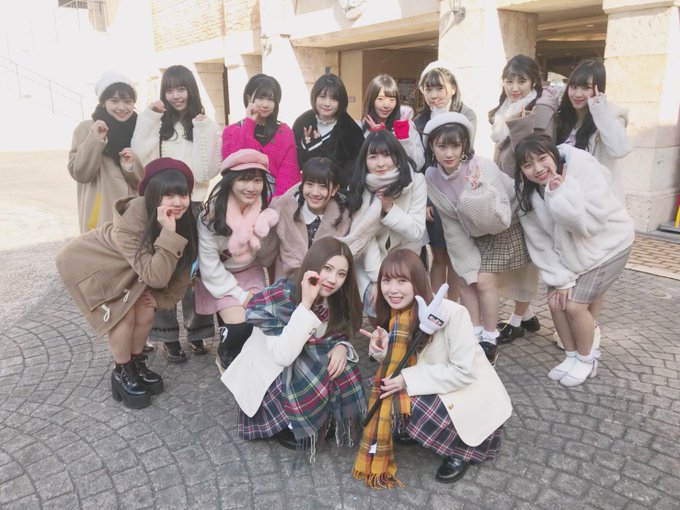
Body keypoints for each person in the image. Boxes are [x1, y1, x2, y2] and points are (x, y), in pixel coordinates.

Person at [353, 249, 511, 487]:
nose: (392, 289)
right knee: (387, 387)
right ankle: (422, 429)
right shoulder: (398, 314)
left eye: (402, 281)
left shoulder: (452, 313)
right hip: (437, 385)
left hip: (467, 395)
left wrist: (406, 379)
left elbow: (463, 373)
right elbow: (401, 360)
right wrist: (382, 349)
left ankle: (460, 450)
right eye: (386, 281)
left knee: (400, 395)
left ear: (418, 281)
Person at [56, 158, 198, 409]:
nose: (178, 202)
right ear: (153, 195)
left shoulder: (185, 219)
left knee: (146, 309)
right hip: (94, 264)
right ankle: (121, 371)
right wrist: (169, 233)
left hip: (132, 270)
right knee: (123, 316)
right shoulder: (132, 220)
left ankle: (134, 362)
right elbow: (155, 277)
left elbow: (184, 268)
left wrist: (162, 299)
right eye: (168, 195)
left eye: (183, 194)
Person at [222, 237, 365, 455]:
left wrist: (342, 346)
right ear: (314, 263)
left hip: (302, 361)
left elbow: (339, 332)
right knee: (308, 367)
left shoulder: (337, 298)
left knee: (342, 367)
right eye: (327, 268)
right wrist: (306, 304)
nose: (333, 279)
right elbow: (283, 355)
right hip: (272, 373)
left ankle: (318, 415)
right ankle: (288, 423)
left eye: (341, 274)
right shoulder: (281, 295)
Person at [514, 136, 634, 386]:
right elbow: (540, 244)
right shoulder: (528, 194)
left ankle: (587, 359)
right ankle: (571, 357)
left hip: (609, 246)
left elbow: (589, 226)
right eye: (528, 165)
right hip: (571, 257)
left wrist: (560, 195)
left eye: (542, 158)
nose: (538, 168)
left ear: (553, 154)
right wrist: (562, 280)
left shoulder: (581, 167)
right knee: (555, 301)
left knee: (575, 307)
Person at [131, 64, 221, 361]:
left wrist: (204, 130)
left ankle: (198, 332)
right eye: (169, 90)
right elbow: (141, 157)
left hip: (192, 204)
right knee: (163, 270)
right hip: (162, 206)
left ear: (191, 90)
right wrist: (149, 118)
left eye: (181, 89)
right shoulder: (159, 124)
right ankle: (168, 337)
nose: (176, 96)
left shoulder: (205, 125)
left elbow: (207, 171)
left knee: (193, 273)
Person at [422, 112, 524, 365]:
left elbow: (498, 219)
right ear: (432, 147)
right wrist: (464, 262)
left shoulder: (482, 167)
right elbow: (451, 222)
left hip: (502, 226)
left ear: (464, 145)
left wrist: (475, 196)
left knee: (485, 281)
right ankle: (474, 333)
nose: (449, 153)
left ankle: (490, 338)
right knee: (465, 279)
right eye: (442, 146)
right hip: (468, 231)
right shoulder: (431, 177)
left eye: (455, 146)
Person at [553, 59, 633, 350]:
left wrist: (599, 109)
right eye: (574, 86)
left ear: (598, 90)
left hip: (599, 206)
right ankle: (578, 323)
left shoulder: (609, 117)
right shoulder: (562, 118)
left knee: (594, 267)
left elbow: (620, 148)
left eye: (586, 88)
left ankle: (590, 324)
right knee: (574, 265)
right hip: (569, 204)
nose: (577, 94)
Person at [488, 54, 559, 344]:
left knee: (526, 259)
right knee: (515, 257)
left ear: (534, 82)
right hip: (508, 191)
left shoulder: (539, 109)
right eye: (509, 81)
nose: (514, 87)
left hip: (528, 193)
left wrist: (518, 121)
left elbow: (534, 154)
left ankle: (517, 320)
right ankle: (526, 315)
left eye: (522, 81)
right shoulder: (506, 108)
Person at [195, 149, 279, 372]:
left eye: (257, 180)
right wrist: (241, 296)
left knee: (259, 323)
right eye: (244, 179)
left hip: (250, 271)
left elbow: (267, 258)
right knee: (240, 326)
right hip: (219, 276)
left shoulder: (263, 212)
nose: (251, 187)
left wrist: (264, 230)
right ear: (230, 181)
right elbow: (210, 266)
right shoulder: (210, 217)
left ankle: (241, 349)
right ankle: (225, 352)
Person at [339, 130, 427, 319]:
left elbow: (416, 231)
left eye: (387, 155)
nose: (380, 163)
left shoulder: (416, 181)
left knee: (408, 314)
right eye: (373, 157)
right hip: (371, 262)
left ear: (397, 155)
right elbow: (365, 238)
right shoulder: (360, 186)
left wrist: (389, 208)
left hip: (405, 258)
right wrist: (380, 281)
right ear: (364, 160)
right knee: (375, 303)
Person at [413, 61, 478, 302]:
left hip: (459, 195)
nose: (434, 95)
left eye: (439, 88)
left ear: (452, 88)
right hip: (433, 196)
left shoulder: (466, 116)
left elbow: (467, 155)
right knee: (439, 256)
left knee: (456, 256)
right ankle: (436, 307)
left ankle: (453, 307)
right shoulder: (419, 122)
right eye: (428, 89)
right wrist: (425, 202)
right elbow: (421, 166)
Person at [68, 71, 143, 234]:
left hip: (133, 213)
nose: (122, 107)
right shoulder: (87, 128)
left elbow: (144, 181)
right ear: (103, 102)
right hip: (100, 215)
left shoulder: (140, 130)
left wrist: (130, 166)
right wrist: (95, 140)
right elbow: (81, 174)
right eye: (114, 101)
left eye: (128, 101)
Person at [269, 157, 351, 280]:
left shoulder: (343, 219)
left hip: (326, 284)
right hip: (287, 283)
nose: (315, 192)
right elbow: (266, 256)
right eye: (310, 184)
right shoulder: (282, 209)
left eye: (323, 186)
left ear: (334, 190)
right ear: (302, 185)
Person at [221, 74, 300, 197]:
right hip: (238, 195)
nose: (265, 104)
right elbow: (233, 164)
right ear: (249, 98)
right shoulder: (230, 131)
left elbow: (288, 176)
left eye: (271, 99)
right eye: (260, 98)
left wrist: (274, 204)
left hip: (274, 199)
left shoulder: (284, 132)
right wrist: (249, 123)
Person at [292, 74, 365, 189]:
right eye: (322, 96)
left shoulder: (351, 131)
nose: (327, 103)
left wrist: (317, 150)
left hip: (338, 192)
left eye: (334, 99)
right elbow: (293, 162)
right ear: (315, 96)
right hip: (304, 190)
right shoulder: (302, 122)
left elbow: (354, 173)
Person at [360, 74, 425, 170]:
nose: (386, 105)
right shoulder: (360, 128)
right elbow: (359, 166)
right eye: (380, 99)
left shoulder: (407, 125)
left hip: (402, 179)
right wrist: (377, 138)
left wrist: (403, 138)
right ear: (371, 100)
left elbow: (418, 164)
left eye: (392, 99)